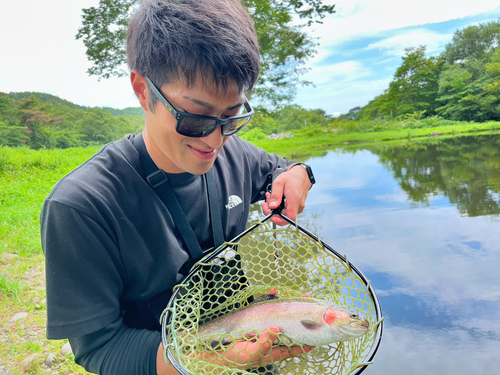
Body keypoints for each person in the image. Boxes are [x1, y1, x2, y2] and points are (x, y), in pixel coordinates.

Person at [40, 0, 315, 374]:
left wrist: (300, 174)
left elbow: (282, 170)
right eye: (196, 117)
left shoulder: (236, 155)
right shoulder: (83, 206)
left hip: (254, 351)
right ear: (142, 90)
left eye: (231, 117)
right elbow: (101, 348)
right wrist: (212, 361)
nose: (215, 140)